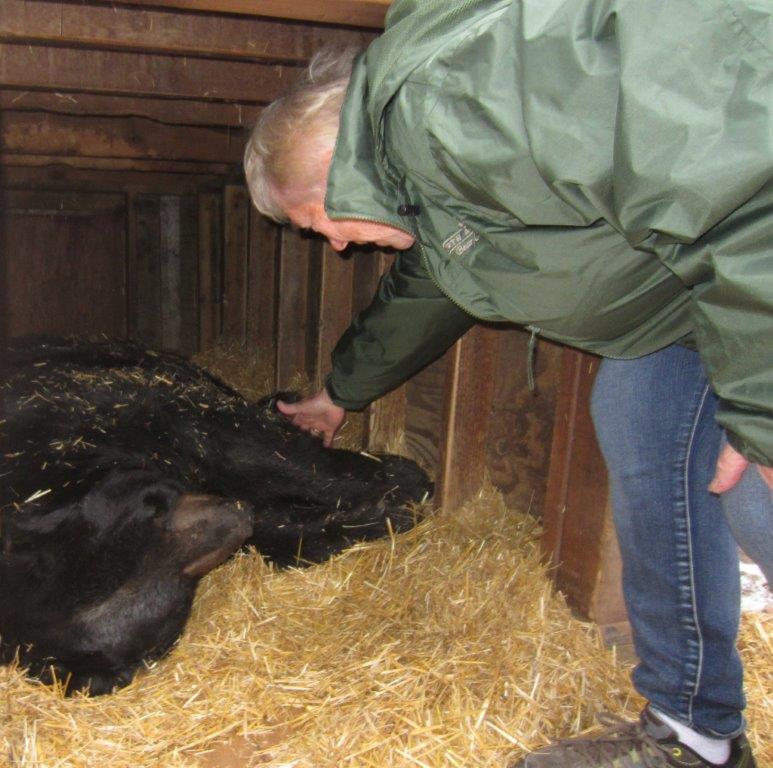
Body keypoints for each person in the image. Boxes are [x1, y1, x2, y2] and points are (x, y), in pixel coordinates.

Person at [243, 1, 772, 765]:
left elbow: (734, 177)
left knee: (760, 492)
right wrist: (338, 395)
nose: (332, 245)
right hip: (685, 304)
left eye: (317, 220)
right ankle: (695, 733)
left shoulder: (461, 103)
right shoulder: (438, 191)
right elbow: (424, 295)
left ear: (335, 165)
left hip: (752, 246)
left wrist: (761, 411)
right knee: (637, 416)